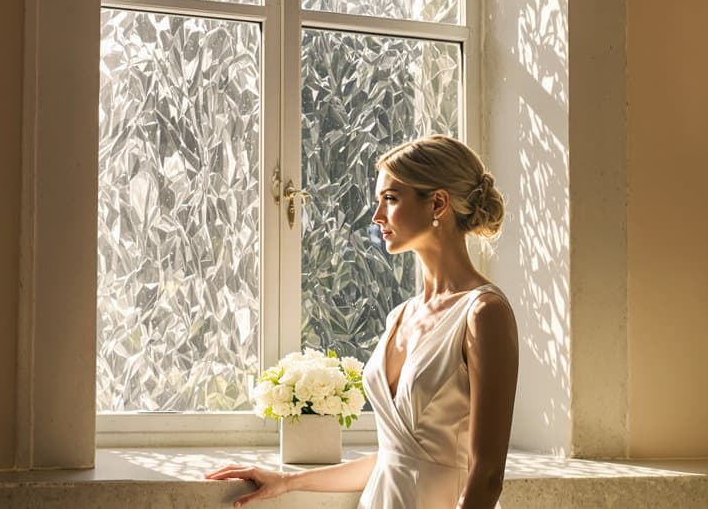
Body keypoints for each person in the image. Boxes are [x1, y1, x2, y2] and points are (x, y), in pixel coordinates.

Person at [206, 134, 519, 509]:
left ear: (437, 203)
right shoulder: (399, 316)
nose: (376, 217)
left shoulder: (484, 314)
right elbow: (395, 459)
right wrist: (287, 482)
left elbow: (487, 474)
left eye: (390, 199)